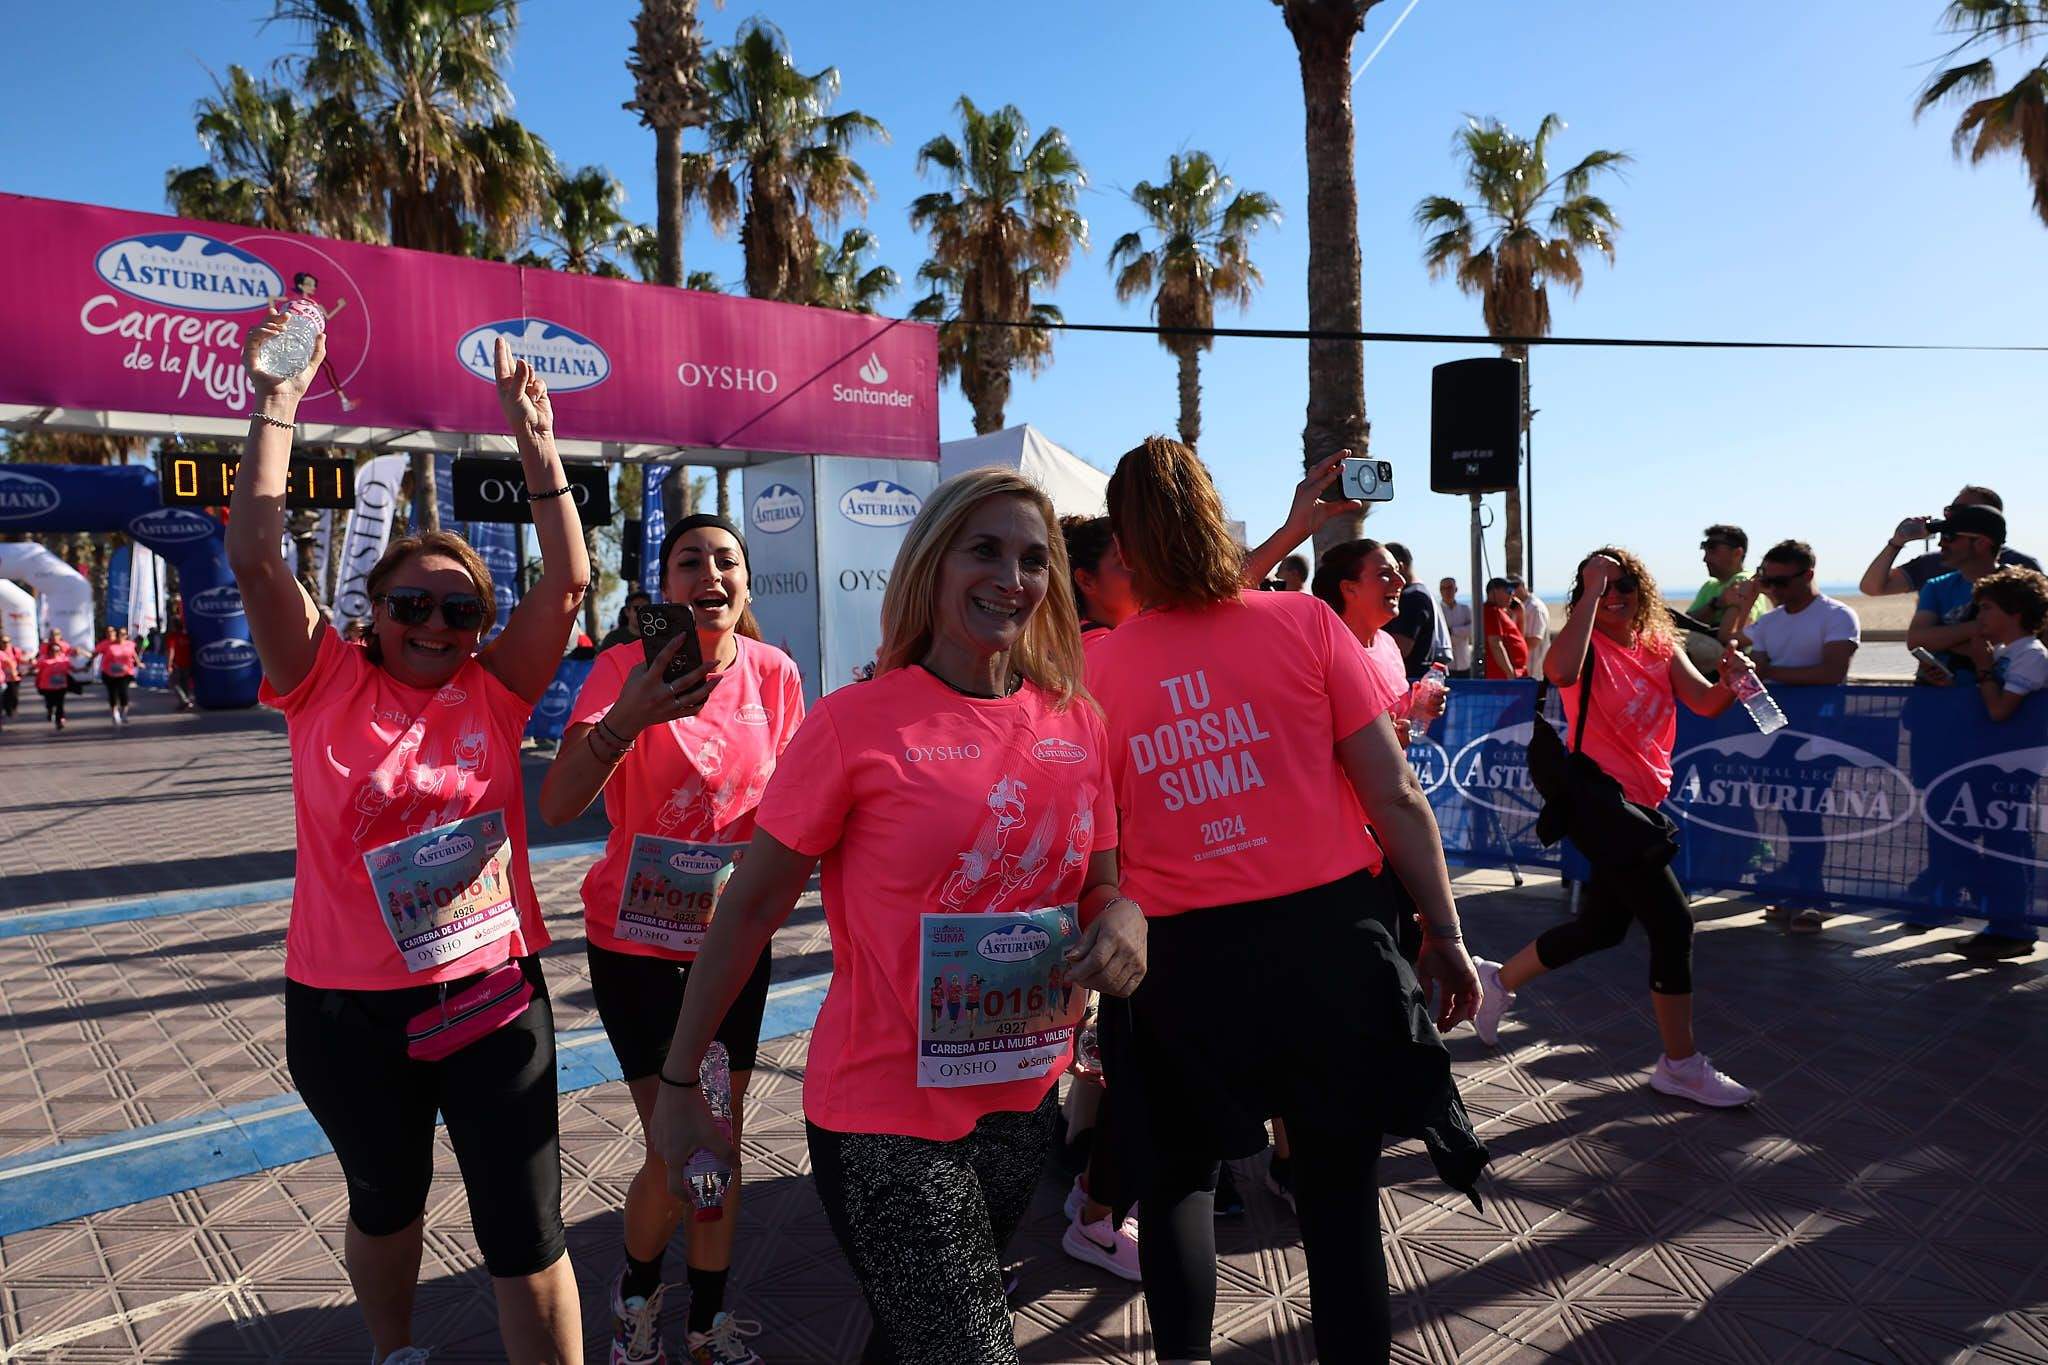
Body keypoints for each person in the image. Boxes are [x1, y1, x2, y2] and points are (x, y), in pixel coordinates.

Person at [651, 467, 1146, 1365]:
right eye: (985, 549)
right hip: (882, 1111)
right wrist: (681, 1081)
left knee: (917, 1333)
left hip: (1024, 1096)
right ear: (931, 564)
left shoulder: (1081, 723)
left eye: (1033, 558)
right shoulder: (854, 724)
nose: (1013, 577)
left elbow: (1101, 885)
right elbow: (751, 906)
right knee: (967, 1350)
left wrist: (1126, 919)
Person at [227, 305, 589, 1365]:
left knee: (524, 1228)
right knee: (385, 1203)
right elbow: (256, 556)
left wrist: (537, 441)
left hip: (489, 997)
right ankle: (394, 1352)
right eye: (412, 605)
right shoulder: (319, 682)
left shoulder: (494, 691)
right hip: (347, 1014)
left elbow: (567, 583)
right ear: (374, 612)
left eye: (458, 612)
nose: (435, 627)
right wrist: (278, 402)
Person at [1088, 436, 1482, 1364]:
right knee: (1340, 1198)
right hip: (1329, 943)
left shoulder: (1097, 668)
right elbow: (1393, 792)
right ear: (1212, 520)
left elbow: (1095, 835)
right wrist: (1443, 929)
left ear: (1127, 543)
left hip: (1178, 961)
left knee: (1178, 1179)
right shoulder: (1304, 626)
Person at [539, 513, 803, 1365]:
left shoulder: (775, 674)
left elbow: (797, 812)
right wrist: (631, 714)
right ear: (664, 589)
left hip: (732, 945)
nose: (710, 573)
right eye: (691, 560)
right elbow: (558, 803)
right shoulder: (621, 668)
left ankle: (706, 1322)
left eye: (727, 560)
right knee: (682, 1142)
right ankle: (639, 1295)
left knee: (717, 1143)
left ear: (747, 586)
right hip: (636, 944)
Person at [1471, 548, 1757, 1109]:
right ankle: (1681, 1065)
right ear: (1584, 595)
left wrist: (1735, 682)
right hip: (1602, 805)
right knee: (1673, 927)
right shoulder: (1586, 642)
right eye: (1601, 586)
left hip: (1642, 803)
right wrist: (1591, 590)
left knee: (1602, 926)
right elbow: (1558, 673)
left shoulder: (1659, 644)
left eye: (1625, 584)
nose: (1615, 593)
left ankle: (1497, 980)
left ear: (1642, 589)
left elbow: (1703, 702)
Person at [1055, 513, 1142, 1279]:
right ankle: (1096, 1201)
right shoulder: (1106, 649)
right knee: (1134, 1042)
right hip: (1124, 875)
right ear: (1084, 579)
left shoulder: (1068, 649)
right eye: (1124, 561)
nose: (1141, 570)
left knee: (1111, 1033)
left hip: (1108, 872)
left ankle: (1088, 1175)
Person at [1722, 541, 1861, 934]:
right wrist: (1747, 602)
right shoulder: (1772, 621)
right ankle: (1800, 891)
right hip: (1774, 730)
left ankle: (1812, 897)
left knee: (1806, 814)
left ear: (1808, 575)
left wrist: (1770, 675)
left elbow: (1830, 672)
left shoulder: (1838, 616)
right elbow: (1734, 643)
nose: (1775, 590)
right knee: (1789, 812)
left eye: (1780, 582)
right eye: (1768, 581)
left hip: (1819, 734)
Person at [1951, 567, 2048, 960]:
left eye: (1987, 609)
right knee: (1978, 839)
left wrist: (1983, 667)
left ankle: (2012, 927)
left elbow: (2001, 710)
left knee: (2007, 843)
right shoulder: (2009, 653)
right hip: (1988, 765)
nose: (1981, 618)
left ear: (2015, 612)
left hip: (2011, 772)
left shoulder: (2031, 656)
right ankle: (2000, 920)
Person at [1860, 485, 2041, 597]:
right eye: (1950, 509)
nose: (1952, 515)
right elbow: (1872, 588)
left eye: (1961, 510)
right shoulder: (1934, 563)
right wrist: (1896, 542)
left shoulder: (2022, 567)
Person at [1904, 504, 2009, 683]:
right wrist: (1980, 627)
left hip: (2006, 703)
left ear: (1981, 543)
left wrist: (1946, 639)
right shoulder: (1936, 586)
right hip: (1942, 699)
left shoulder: (2020, 587)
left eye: (1949, 537)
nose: (1940, 544)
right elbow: (1916, 640)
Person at [1687, 525, 1763, 673]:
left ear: (1737, 553)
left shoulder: (1746, 582)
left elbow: (1738, 634)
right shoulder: (1710, 586)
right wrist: (1716, 604)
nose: (1706, 559)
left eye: (1713, 550)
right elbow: (1687, 623)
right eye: (1705, 550)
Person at [1385, 543, 1453, 681]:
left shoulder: (1412, 597)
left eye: (1383, 572)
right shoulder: (1422, 592)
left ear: (1398, 566)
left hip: (1410, 682)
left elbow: (1400, 649)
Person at [1481, 578, 1529, 679]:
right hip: (1503, 675)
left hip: (1515, 672)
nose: (1512, 594)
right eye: (1509, 591)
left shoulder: (1500, 611)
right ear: (1494, 592)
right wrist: (1509, 672)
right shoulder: (1491, 612)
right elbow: (1495, 644)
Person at [95, 625, 139, 727]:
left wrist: (139, 663)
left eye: (123, 634)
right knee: (113, 694)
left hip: (125, 673)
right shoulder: (108, 645)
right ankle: (115, 713)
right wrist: (87, 662)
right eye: (119, 634)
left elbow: (134, 655)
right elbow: (95, 653)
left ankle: (124, 714)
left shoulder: (130, 644)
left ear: (126, 635)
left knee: (123, 693)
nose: (121, 636)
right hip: (109, 673)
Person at [34, 631, 77, 731]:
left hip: (61, 685)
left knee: (60, 704)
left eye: (57, 650)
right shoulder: (44, 658)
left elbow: (72, 666)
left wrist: (82, 668)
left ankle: (60, 720)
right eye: (53, 650)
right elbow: (36, 667)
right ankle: (50, 710)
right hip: (47, 686)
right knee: (50, 703)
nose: (55, 652)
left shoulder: (64, 658)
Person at [1511, 575, 1550, 675]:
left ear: (1522, 586)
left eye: (1514, 587)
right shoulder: (1516, 607)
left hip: (1534, 669)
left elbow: (1534, 641)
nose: (1512, 591)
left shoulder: (1535, 608)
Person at [1440, 577, 1474, 672]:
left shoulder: (1465, 609)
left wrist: (1452, 631)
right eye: (1444, 588)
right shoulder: (1437, 611)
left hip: (1464, 661)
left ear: (1455, 589)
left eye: (1450, 588)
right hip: (1446, 664)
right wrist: (1461, 632)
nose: (1447, 591)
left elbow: (1472, 630)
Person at [163, 613, 194, 711]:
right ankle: (185, 702)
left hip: (177, 664)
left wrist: (169, 664)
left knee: (174, 683)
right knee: (184, 683)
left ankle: (184, 700)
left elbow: (171, 651)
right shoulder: (186, 636)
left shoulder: (172, 637)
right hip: (188, 663)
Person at [0, 632, 22, 728]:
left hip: (8, 679)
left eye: (7, 641)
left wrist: (13, 672)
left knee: (13, 696)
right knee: (4, 699)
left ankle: (11, 709)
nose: (6, 643)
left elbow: (11, 662)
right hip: (4, 680)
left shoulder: (12, 651)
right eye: (3, 642)